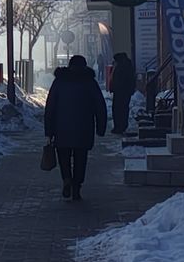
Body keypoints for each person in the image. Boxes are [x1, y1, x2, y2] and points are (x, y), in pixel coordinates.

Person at [43, 53, 108, 202]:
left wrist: (49, 131)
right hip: (84, 129)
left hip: (61, 129)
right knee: (81, 158)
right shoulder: (89, 82)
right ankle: (77, 186)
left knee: (64, 157)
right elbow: (100, 106)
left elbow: (50, 107)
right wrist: (101, 127)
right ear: (84, 66)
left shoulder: (59, 82)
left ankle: (66, 179)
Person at [109, 51, 137, 135]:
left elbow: (121, 79)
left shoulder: (122, 66)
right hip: (123, 91)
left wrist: (115, 87)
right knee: (122, 109)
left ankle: (119, 127)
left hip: (121, 91)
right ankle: (121, 126)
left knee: (119, 109)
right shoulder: (126, 64)